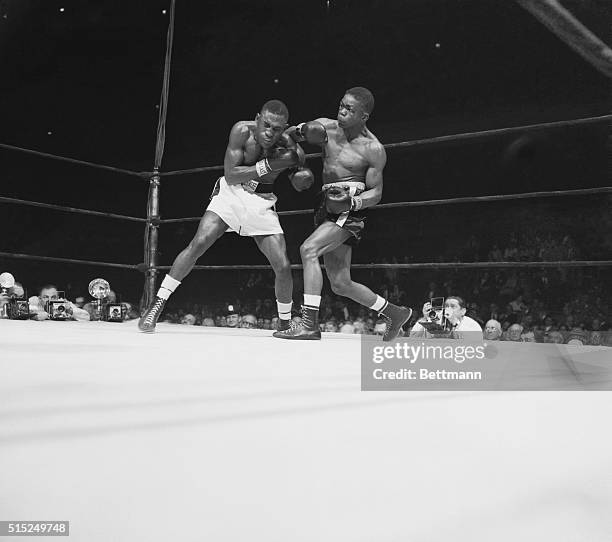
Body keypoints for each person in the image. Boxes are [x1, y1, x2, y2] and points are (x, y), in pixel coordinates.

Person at [139, 100, 312, 333]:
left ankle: (284, 323)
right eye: (267, 125)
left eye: (277, 128)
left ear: (285, 128)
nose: (270, 133)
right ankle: (155, 306)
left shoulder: (287, 145)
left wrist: (302, 174)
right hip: (231, 195)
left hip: (261, 202)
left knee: (282, 264)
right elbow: (231, 175)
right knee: (198, 243)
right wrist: (268, 166)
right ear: (258, 118)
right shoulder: (241, 131)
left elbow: (300, 181)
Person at [273, 87, 412, 341]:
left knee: (308, 250)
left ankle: (309, 324)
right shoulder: (326, 127)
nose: (342, 111)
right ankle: (395, 312)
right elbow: (286, 136)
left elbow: (377, 193)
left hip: (349, 209)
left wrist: (353, 202)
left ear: (364, 116)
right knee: (340, 283)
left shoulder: (373, 149)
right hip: (325, 204)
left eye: (350, 109)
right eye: (342, 105)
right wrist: (298, 166)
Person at [410, 296, 483, 339]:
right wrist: (425, 318)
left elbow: (474, 344)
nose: (448, 309)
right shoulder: (437, 318)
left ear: (463, 311)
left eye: (453, 306)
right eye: (446, 306)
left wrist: (454, 322)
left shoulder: (471, 324)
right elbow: (413, 337)